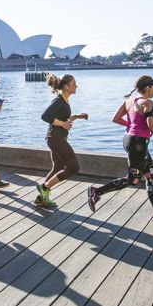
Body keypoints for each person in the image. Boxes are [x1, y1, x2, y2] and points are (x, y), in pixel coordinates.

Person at [86, 76, 153, 224]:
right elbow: (152, 127)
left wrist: (132, 126)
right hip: (138, 144)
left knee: (151, 175)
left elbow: (116, 118)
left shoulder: (129, 101)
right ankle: (96, 192)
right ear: (148, 88)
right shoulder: (147, 103)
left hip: (129, 139)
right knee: (133, 179)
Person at [35, 73, 89, 208]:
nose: (76, 86)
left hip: (55, 138)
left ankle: (42, 197)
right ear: (66, 86)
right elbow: (45, 116)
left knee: (58, 167)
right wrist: (64, 124)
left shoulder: (64, 100)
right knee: (73, 167)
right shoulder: (59, 100)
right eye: (74, 84)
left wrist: (76, 117)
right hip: (56, 138)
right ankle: (45, 187)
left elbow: (61, 118)